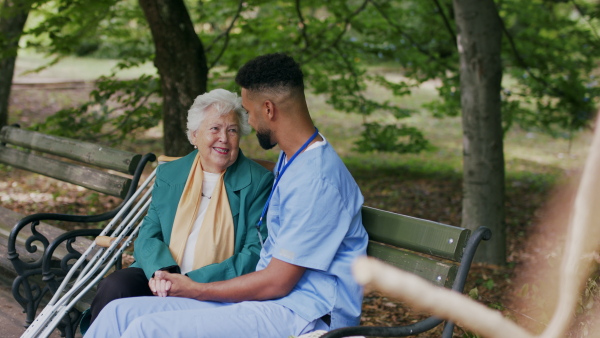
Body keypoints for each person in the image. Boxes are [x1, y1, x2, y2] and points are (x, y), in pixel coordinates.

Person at [85, 53, 368, 338]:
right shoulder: (293, 157)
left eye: (248, 111)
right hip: (270, 301)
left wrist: (196, 289)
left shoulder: (317, 181)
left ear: (268, 109)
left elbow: (277, 283)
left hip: (302, 313)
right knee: (118, 313)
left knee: (147, 329)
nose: (248, 122)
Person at [80, 88, 273, 333]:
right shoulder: (171, 173)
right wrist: (163, 272)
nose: (224, 138)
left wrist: (190, 283)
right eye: (214, 128)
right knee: (116, 286)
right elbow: (149, 233)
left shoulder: (257, 182)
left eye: (232, 130)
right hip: (162, 274)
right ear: (194, 135)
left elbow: (254, 251)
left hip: (215, 284)